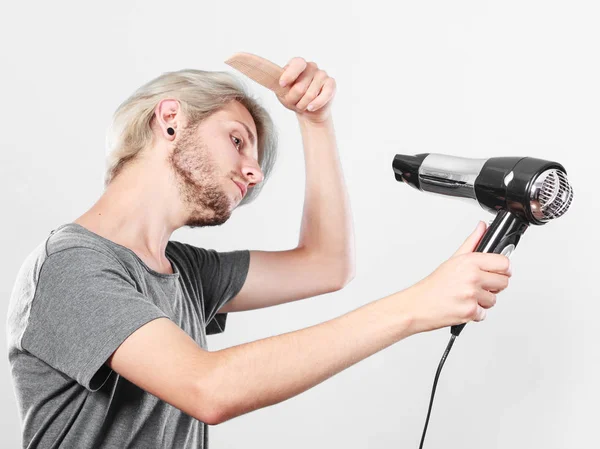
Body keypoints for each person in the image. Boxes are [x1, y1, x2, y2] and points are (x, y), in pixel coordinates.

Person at [6, 56, 512, 448]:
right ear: (170, 119)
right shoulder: (70, 265)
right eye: (237, 140)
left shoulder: (184, 272)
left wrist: (315, 121)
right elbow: (209, 389)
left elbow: (327, 265)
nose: (255, 173)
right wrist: (417, 306)